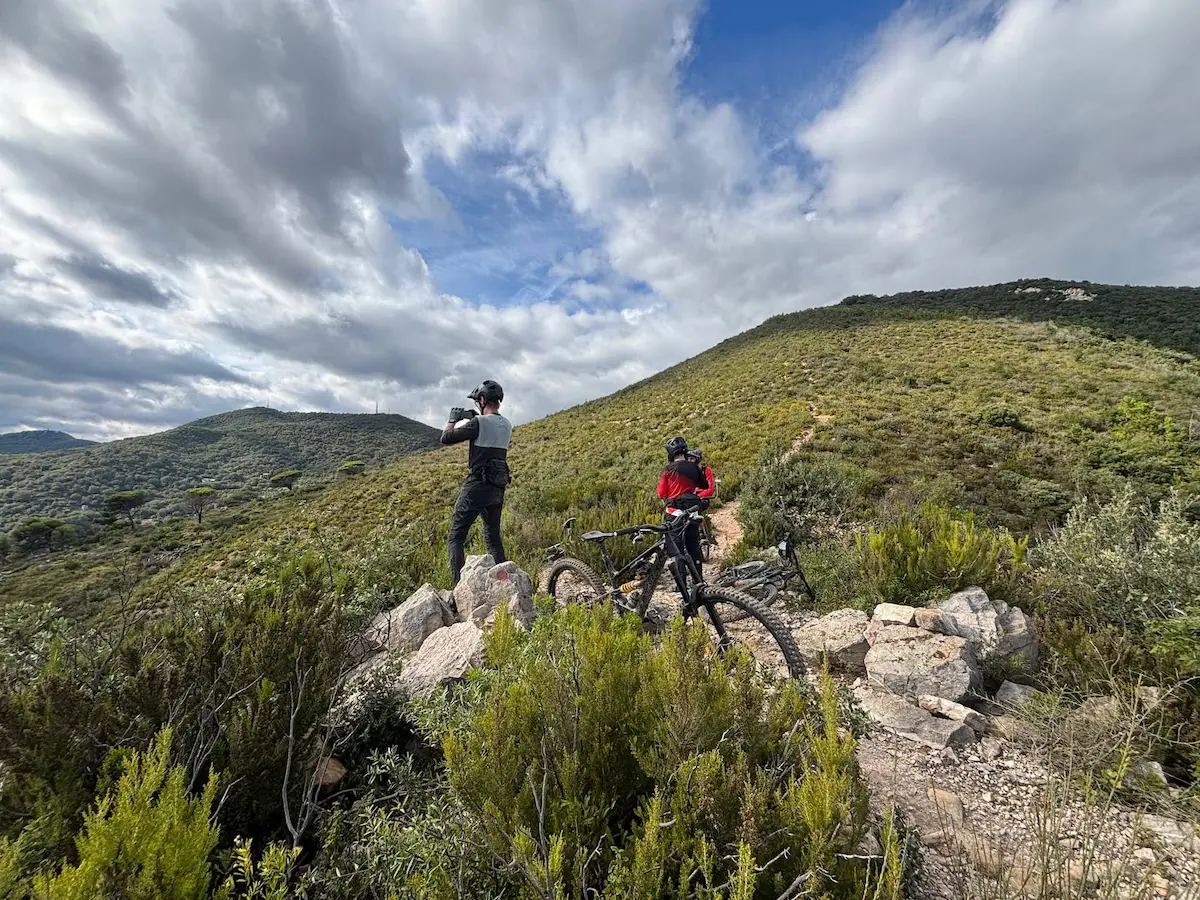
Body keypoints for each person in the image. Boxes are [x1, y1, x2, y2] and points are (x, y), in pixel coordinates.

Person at [441, 380, 512, 586]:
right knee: (493, 538)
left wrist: (453, 420)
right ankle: (506, 585)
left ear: (481, 400)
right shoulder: (507, 424)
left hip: (476, 486)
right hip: (496, 487)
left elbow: (446, 438)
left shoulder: (479, 423)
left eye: (477, 402)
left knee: (456, 537)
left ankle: (458, 588)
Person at [656, 437, 709, 578]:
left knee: (677, 549)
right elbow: (704, 485)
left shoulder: (667, 469)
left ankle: (682, 587)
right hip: (692, 511)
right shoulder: (693, 466)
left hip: (674, 512)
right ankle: (699, 581)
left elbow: (661, 493)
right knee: (693, 545)